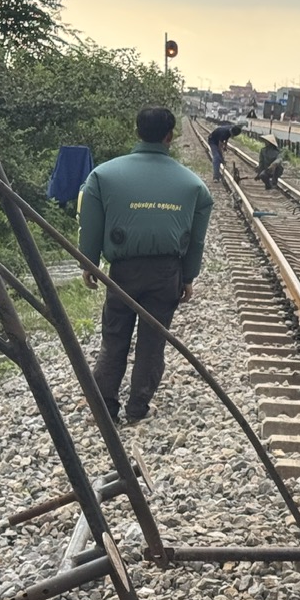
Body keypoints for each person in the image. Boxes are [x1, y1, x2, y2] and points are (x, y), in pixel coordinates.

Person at [78, 107, 213, 424]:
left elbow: (91, 222)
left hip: (122, 273)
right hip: (167, 273)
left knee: (114, 339)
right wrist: (188, 276)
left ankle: (105, 407)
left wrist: (88, 261)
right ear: (170, 136)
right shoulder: (193, 185)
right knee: (152, 343)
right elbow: (196, 240)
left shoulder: (104, 175)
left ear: (137, 131)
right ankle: (138, 408)